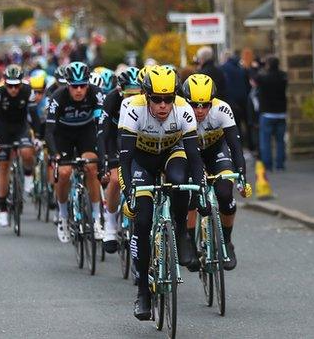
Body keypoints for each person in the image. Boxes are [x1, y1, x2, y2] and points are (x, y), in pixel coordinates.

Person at [118, 66, 205, 320]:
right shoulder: (132, 109)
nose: (163, 105)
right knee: (143, 222)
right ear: (147, 97)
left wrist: (199, 191)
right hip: (140, 162)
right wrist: (128, 192)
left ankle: (179, 230)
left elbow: (195, 159)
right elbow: (124, 160)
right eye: (157, 99)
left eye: (168, 99)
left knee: (180, 180)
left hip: (171, 154)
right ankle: (143, 292)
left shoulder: (184, 110)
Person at [181, 73, 252, 271]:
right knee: (191, 196)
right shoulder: (178, 111)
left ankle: (227, 242)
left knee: (224, 193)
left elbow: (236, 146)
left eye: (205, 104)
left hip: (216, 151)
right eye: (195, 104)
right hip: (189, 153)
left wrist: (241, 175)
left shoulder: (222, 109)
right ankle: (190, 243)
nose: (200, 110)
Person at [44, 62, 105, 243]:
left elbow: (101, 126)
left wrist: (103, 154)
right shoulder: (58, 97)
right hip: (63, 135)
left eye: (83, 86)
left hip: (86, 133)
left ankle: (96, 220)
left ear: (88, 84)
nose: (79, 90)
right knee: (64, 173)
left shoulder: (96, 94)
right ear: (67, 85)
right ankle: (62, 217)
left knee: (92, 168)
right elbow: (49, 131)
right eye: (74, 86)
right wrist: (55, 154)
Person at [96, 66, 140, 253]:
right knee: (115, 179)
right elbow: (102, 133)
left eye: (136, 94)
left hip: (137, 140)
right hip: (115, 140)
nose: (131, 99)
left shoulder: (146, 102)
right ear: (120, 90)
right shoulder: (112, 100)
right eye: (128, 94)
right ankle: (111, 226)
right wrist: (104, 161)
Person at [0, 64, 36, 228]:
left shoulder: (28, 91)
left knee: (27, 152)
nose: (13, 89)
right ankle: (3, 210)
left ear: (21, 83)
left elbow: (34, 115)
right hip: (3, 130)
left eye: (16, 86)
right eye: (10, 86)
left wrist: (38, 136)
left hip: (21, 128)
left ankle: (28, 177)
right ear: (4, 83)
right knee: (3, 166)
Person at [255, 56, 288, 171]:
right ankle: (280, 164)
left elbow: (255, 78)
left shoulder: (264, 77)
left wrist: (261, 66)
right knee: (280, 141)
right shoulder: (283, 76)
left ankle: (268, 165)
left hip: (267, 113)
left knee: (266, 141)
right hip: (281, 112)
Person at [221, 51, 252, 150]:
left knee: (235, 125)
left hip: (232, 101)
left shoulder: (224, 68)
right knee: (247, 124)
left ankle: (239, 146)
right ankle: (250, 146)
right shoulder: (241, 67)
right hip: (244, 99)